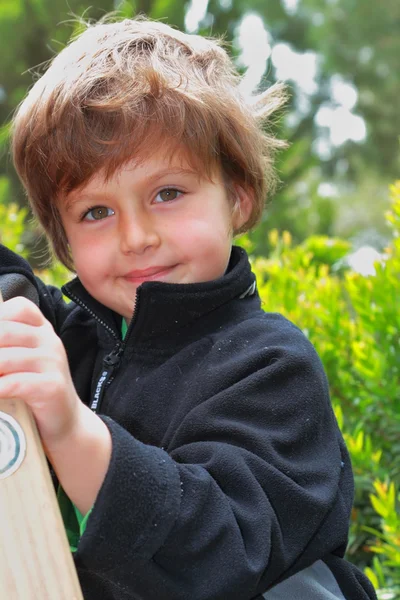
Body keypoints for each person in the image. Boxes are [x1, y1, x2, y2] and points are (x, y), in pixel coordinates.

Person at [0, 16, 377, 600]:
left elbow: (221, 553)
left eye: (167, 193)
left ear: (238, 196)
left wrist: (73, 431)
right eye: (95, 212)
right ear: (65, 241)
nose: (136, 236)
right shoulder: (74, 337)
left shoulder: (270, 366)